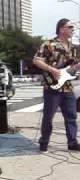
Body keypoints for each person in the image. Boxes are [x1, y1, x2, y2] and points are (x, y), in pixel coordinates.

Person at [33, 18, 80, 152]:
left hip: (67, 87)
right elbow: (37, 60)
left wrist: (76, 68)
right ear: (61, 29)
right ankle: (44, 143)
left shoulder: (72, 47)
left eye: (72, 27)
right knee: (48, 117)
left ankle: (72, 143)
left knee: (71, 116)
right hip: (52, 87)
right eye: (70, 27)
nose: (73, 29)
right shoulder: (49, 44)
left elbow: (72, 67)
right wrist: (52, 70)